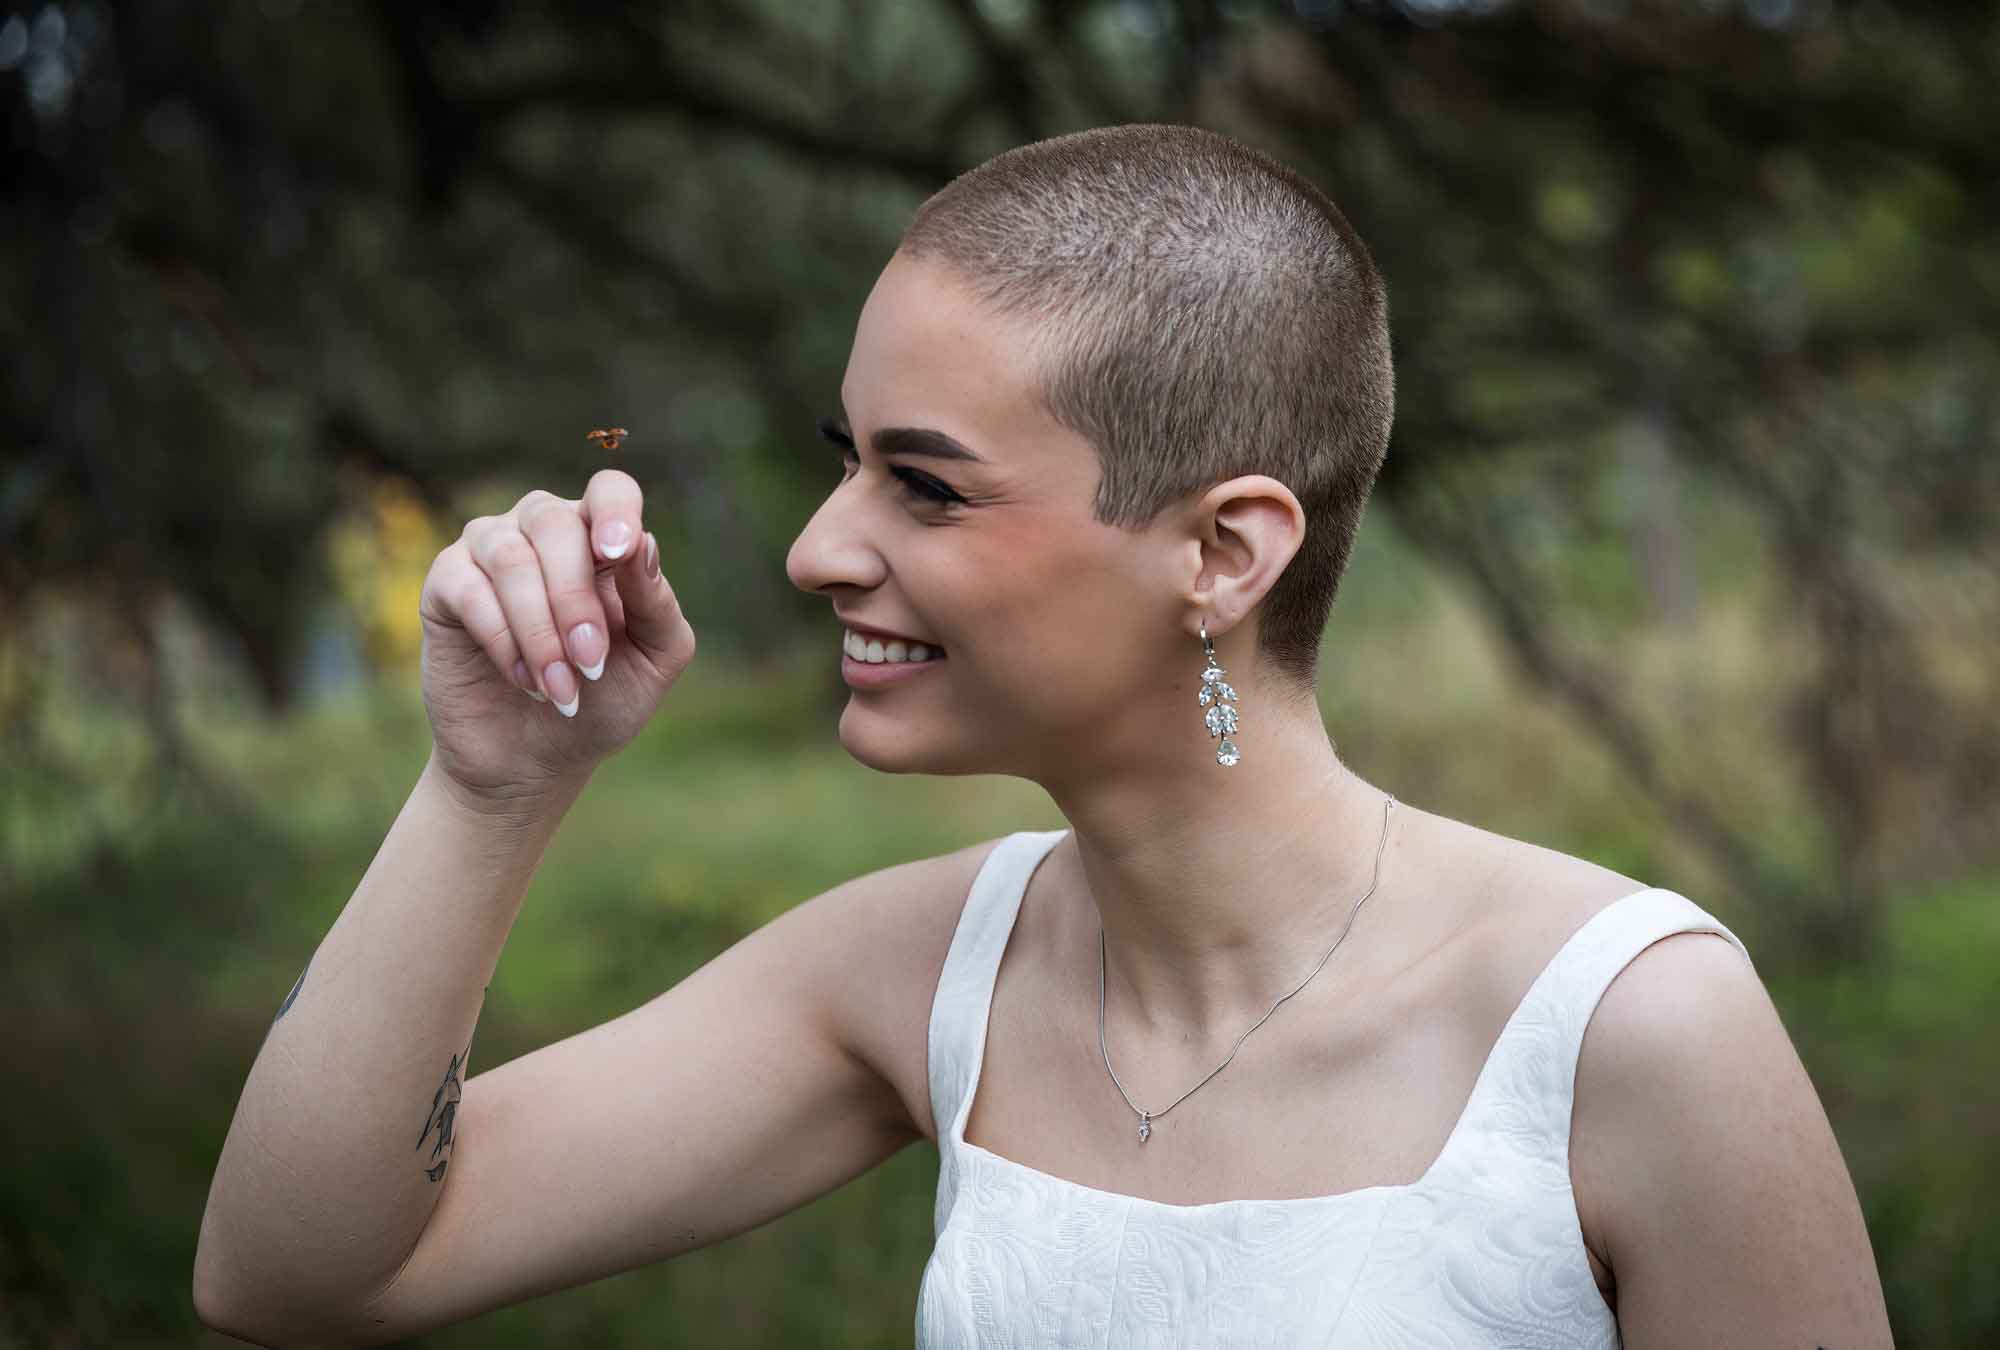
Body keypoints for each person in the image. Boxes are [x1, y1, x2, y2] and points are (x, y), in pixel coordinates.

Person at [194, 125, 1894, 1347]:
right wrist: (495, 783)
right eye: (842, 455)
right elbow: (296, 1273)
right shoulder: (921, 968)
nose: (816, 546)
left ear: (1224, 553)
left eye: (922, 482)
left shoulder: (1635, 1035)